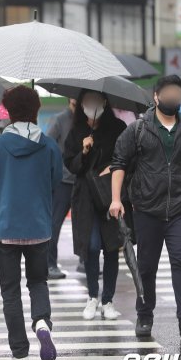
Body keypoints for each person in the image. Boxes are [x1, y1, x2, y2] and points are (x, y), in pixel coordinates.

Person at [110, 75, 181, 338]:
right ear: (156, 96)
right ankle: (144, 317)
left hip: (178, 210)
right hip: (146, 209)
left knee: (180, 261)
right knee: (146, 265)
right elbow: (119, 162)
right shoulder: (139, 129)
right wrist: (116, 199)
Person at [0, 86, 61, 360]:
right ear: (36, 110)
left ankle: (19, 354)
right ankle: (41, 321)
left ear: (8, 111)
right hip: (39, 226)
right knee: (38, 282)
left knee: (10, 291)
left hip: (7, 226)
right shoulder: (49, 145)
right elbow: (55, 181)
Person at [64, 91, 127, 321]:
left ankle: (108, 300)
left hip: (111, 195)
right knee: (90, 247)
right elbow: (71, 165)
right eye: (87, 101)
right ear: (80, 105)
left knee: (111, 248)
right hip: (86, 198)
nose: (92, 105)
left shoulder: (118, 128)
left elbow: (127, 158)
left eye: (96, 100)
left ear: (105, 103)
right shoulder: (76, 132)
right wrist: (83, 151)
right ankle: (92, 296)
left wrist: (112, 168)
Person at [46, 98, 77, 278]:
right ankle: (50, 264)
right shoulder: (59, 119)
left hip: (82, 179)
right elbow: (48, 144)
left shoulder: (88, 120)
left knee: (84, 224)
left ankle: (85, 262)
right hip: (63, 180)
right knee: (55, 223)